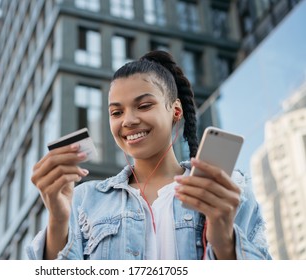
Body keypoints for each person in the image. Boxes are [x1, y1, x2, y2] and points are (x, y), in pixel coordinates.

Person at [27, 50, 272, 260]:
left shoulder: (226, 190)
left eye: (144, 106)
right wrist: (58, 221)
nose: (129, 121)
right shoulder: (84, 200)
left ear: (175, 110)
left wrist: (224, 242)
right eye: (116, 112)